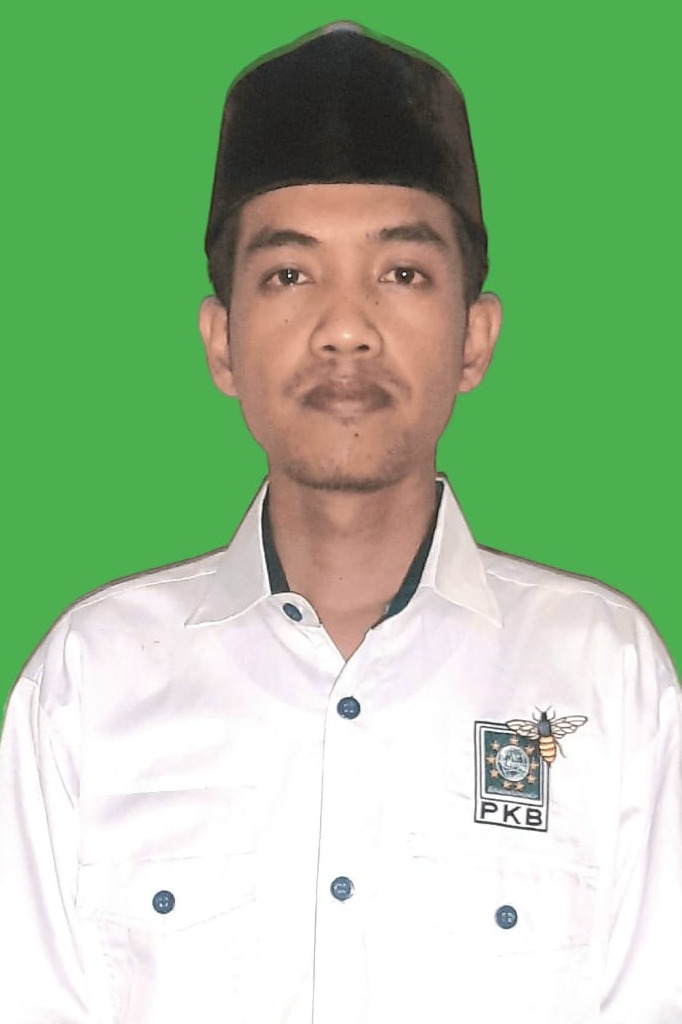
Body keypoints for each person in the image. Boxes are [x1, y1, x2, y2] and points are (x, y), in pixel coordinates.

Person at [1, 22, 680, 1024]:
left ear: (474, 337)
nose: (347, 328)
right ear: (221, 341)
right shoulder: (89, 683)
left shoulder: (603, 678)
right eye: (290, 274)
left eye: (402, 273)